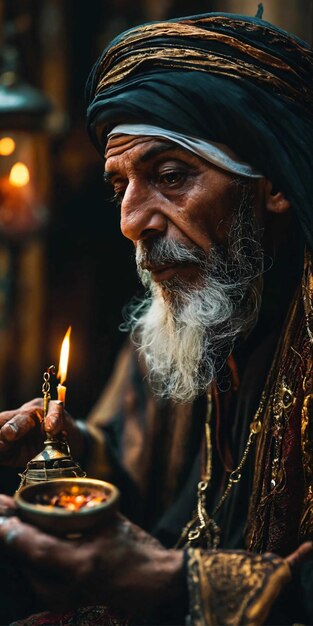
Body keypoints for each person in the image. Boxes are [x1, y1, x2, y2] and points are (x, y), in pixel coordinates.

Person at [0, 8, 313, 626]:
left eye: (170, 176)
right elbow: (141, 475)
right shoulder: (174, 323)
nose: (131, 222)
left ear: (272, 181)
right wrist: (65, 452)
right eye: (120, 188)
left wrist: (171, 583)